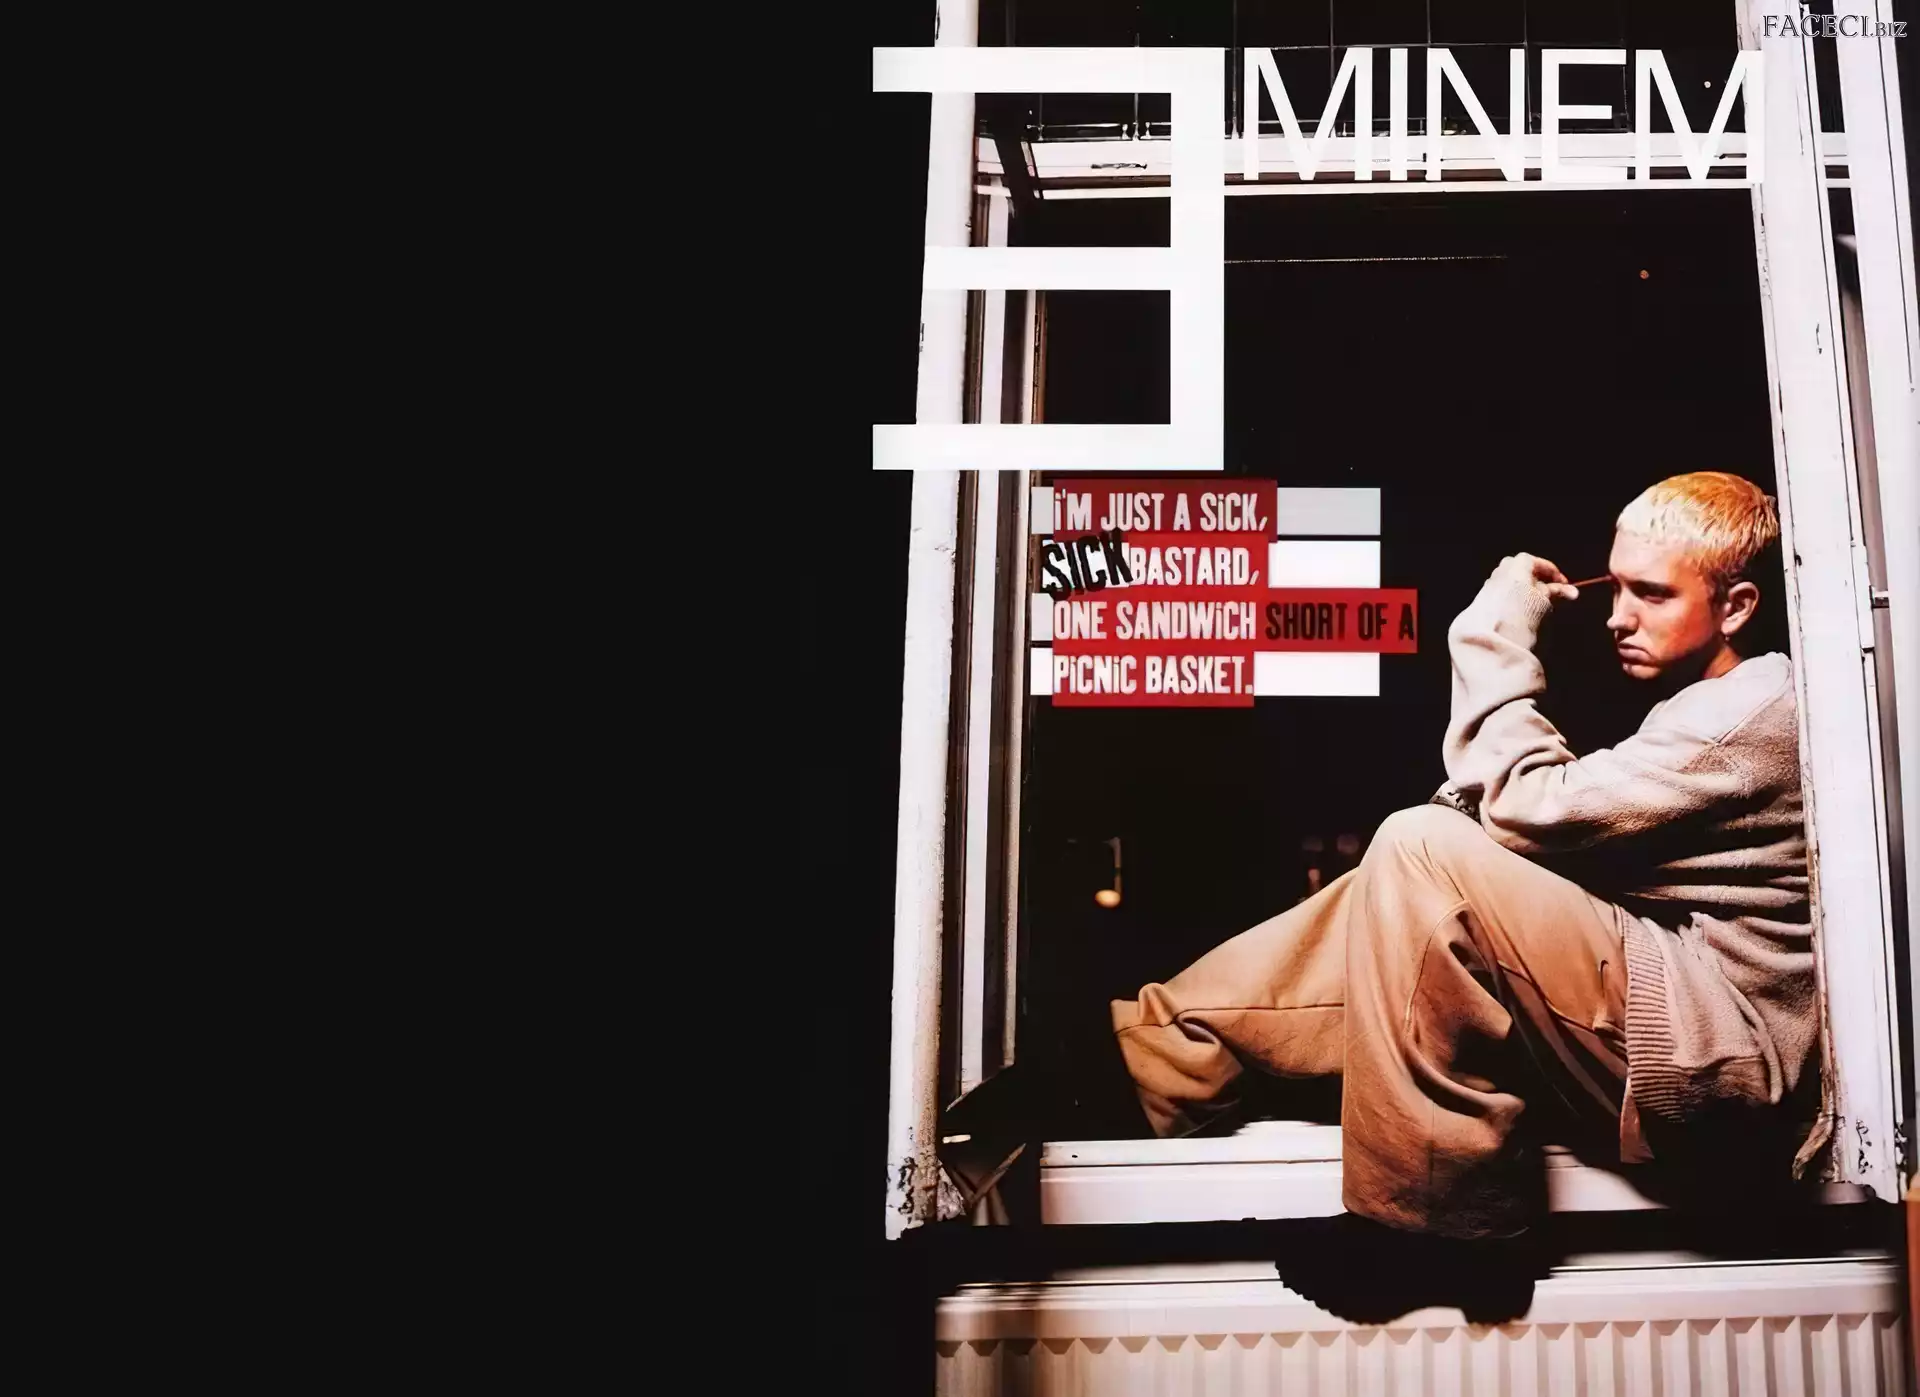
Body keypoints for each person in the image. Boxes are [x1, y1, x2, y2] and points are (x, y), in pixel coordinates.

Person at [1109, 471, 1824, 1240]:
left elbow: (1530, 803)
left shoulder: (1750, 710)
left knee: (1421, 846)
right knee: (1400, 883)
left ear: (1736, 606)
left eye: (1652, 594)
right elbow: (1551, 835)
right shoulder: (1722, 703)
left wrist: (1493, 633)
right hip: (1685, 1015)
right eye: (1616, 587)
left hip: (1714, 1059)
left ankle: (1432, 1222)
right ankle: (1154, 1059)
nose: (1618, 617)